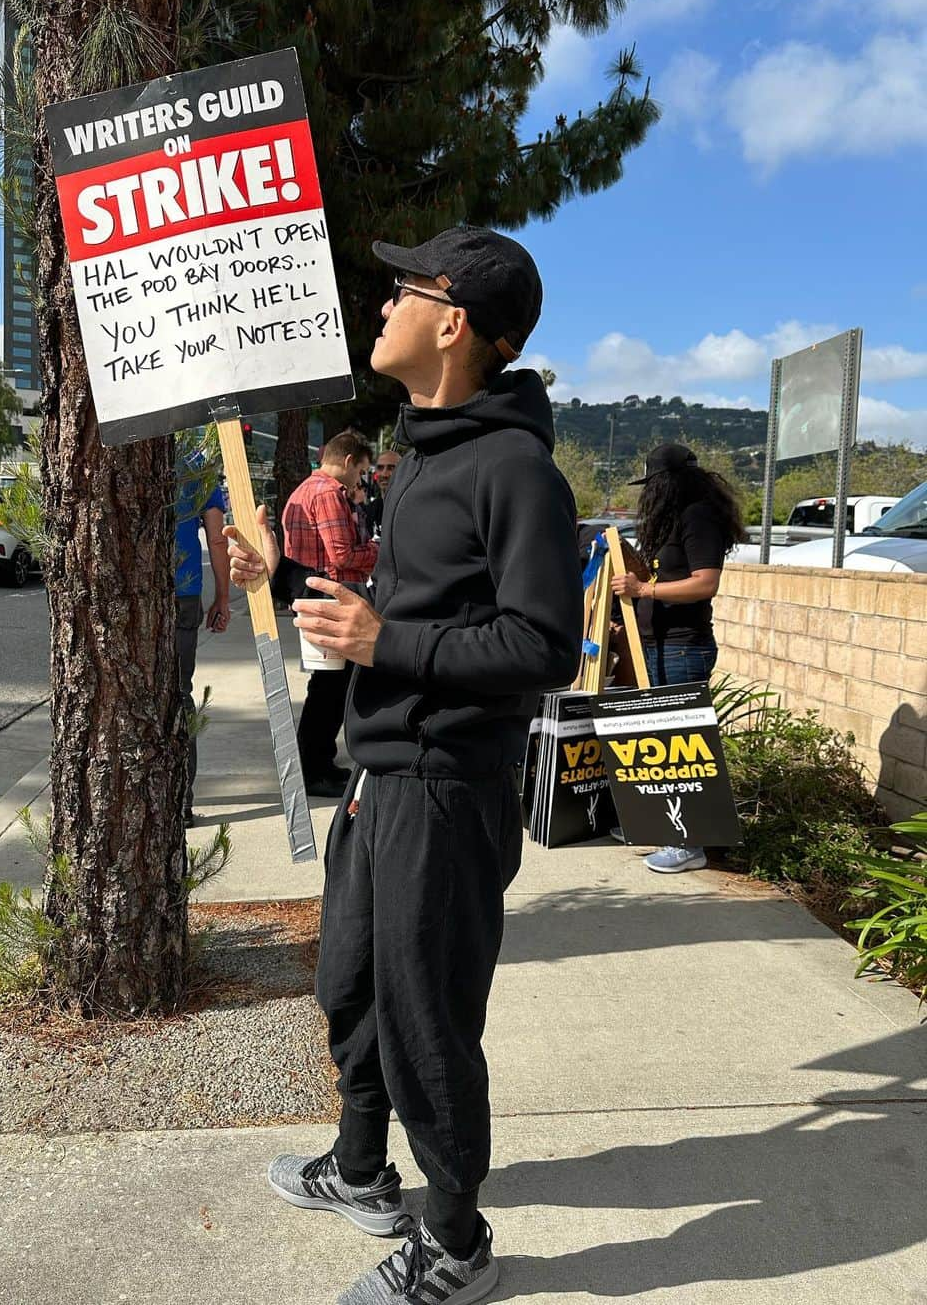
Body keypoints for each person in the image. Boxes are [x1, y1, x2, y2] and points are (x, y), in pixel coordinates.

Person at [226, 226, 581, 1305]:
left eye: (404, 289)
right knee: (355, 990)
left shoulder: (515, 469)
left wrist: (390, 646)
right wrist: (284, 574)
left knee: (428, 1016)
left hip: (445, 785)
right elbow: (405, 613)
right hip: (384, 772)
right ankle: (363, 1169)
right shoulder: (425, 451)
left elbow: (543, 646)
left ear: (454, 320)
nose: (384, 305)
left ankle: (457, 1243)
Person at [610, 441, 746, 874]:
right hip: (658, 645)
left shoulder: (698, 517)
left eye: (652, 485)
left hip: (683, 647)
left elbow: (705, 583)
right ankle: (661, 823)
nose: (647, 494)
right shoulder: (675, 521)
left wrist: (643, 591)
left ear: (669, 483)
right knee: (660, 744)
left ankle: (689, 843)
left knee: (681, 746)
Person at [283, 430, 379, 798]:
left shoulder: (306, 489)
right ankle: (315, 768)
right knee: (331, 690)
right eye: (361, 472)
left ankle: (318, 763)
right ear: (350, 460)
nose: (360, 481)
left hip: (311, 594)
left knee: (326, 687)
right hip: (330, 597)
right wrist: (378, 551)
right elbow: (342, 555)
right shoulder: (327, 493)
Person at [174, 453, 230, 827]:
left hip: (128, 593)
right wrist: (222, 596)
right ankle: (181, 804)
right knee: (179, 695)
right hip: (184, 591)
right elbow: (216, 538)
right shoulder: (196, 462)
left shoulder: (126, 436)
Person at [367, 448, 401, 534]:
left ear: (403, 471)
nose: (384, 474)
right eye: (380, 468)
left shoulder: (412, 508)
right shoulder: (369, 510)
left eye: (391, 468)